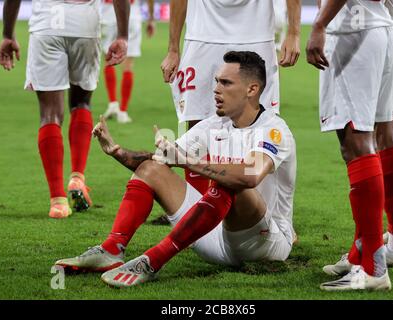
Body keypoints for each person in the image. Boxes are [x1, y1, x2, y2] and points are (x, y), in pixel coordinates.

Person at [55, 51, 297, 288]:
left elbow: (250, 175)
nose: (216, 89)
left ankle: (152, 261)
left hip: (265, 242)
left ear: (252, 90)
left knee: (230, 182)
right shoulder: (214, 124)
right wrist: (117, 151)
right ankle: (111, 249)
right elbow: (164, 159)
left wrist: (188, 161)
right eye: (216, 81)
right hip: (215, 237)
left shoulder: (273, 130)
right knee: (152, 168)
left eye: (226, 82)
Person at [318, 0, 393, 284]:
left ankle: (376, 257)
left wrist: (320, 24)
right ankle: (375, 247)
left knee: (367, 139)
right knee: (375, 137)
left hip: (369, 26)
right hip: (387, 23)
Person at [0, 0, 130, 218]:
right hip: (84, 25)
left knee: (49, 114)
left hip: (46, 24)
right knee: (81, 103)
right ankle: (77, 177)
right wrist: (123, 36)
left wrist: (8, 34)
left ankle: (58, 201)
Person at [160, 0, 301, 196]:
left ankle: (260, 213)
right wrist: (173, 49)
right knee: (197, 125)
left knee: (260, 124)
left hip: (256, 35)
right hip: (201, 36)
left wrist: (294, 32)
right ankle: (196, 207)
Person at [102, 0, 156, 124]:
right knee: (128, 66)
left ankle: (112, 103)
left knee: (109, 59)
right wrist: (151, 19)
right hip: (131, 13)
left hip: (108, 13)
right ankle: (123, 111)